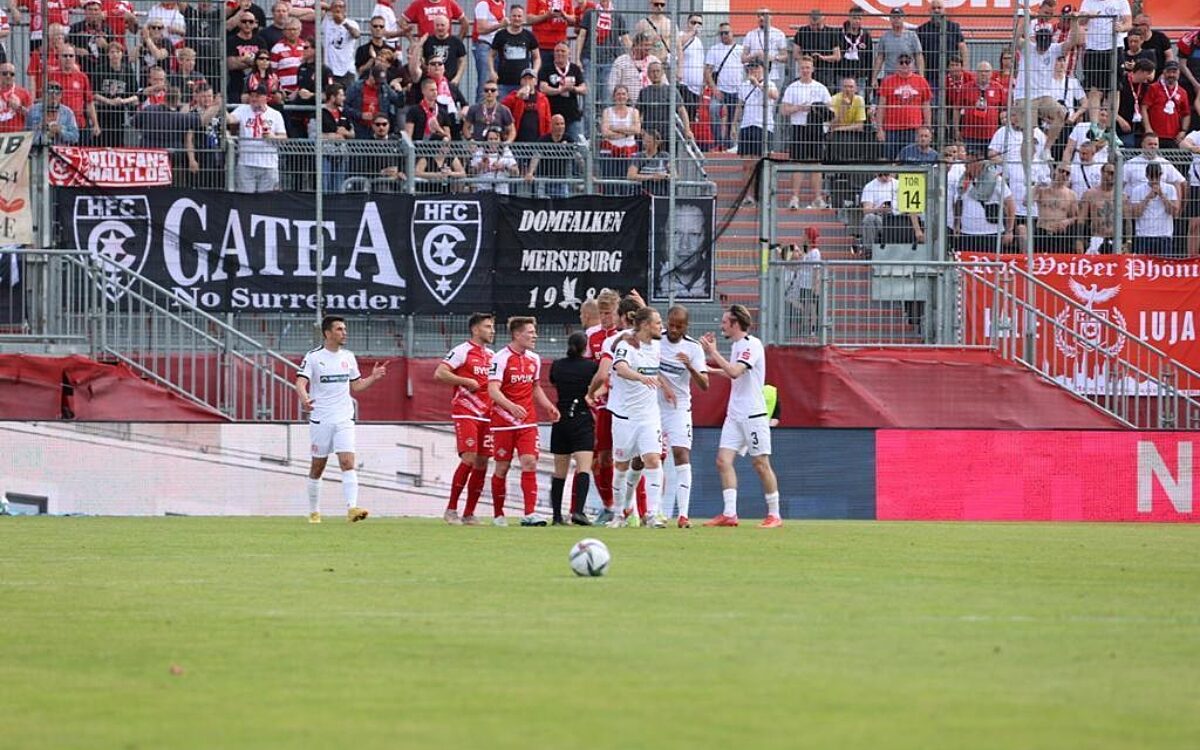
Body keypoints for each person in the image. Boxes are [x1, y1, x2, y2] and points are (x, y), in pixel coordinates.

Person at [295, 316, 388, 524]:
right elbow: (300, 382)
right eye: (339, 329)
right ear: (328, 333)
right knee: (318, 466)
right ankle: (314, 511)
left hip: (344, 418)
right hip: (321, 419)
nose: (344, 333)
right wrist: (305, 399)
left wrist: (373, 377)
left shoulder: (348, 356)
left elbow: (356, 386)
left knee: (347, 462)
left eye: (345, 329)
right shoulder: (313, 357)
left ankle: (352, 508)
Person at [699, 305, 782, 528]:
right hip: (734, 415)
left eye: (725, 322)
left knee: (760, 463)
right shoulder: (737, 347)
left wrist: (713, 353)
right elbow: (733, 373)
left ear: (735, 324)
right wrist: (709, 368)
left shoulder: (751, 345)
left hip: (753, 415)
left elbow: (736, 371)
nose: (721, 326)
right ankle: (729, 514)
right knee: (722, 461)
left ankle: (774, 515)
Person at [488, 316, 560, 526]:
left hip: (527, 421)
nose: (535, 336)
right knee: (502, 467)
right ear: (517, 334)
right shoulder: (500, 358)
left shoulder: (534, 359)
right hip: (503, 421)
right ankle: (498, 515)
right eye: (530, 332)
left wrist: (548, 406)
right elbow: (493, 390)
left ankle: (530, 513)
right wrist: (510, 407)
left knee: (530, 462)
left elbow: (535, 387)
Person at [607, 306, 673, 528]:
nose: (661, 327)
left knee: (653, 459)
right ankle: (618, 514)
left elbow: (655, 370)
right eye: (657, 323)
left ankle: (653, 514)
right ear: (645, 325)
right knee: (621, 466)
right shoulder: (626, 345)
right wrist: (640, 378)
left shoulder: (655, 345)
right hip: (625, 416)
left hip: (649, 416)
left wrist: (665, 386)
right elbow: (621, 368)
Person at [434, 312, 495, 526]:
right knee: (469, 457)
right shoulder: (461, 351)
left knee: (483, 462)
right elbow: (440, 373)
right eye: (488, 326)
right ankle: (451, 510)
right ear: (476, 329)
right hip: (466, 410)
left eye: (492, 326)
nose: (492, 330)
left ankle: (469, 513)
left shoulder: (492, 355)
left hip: (488, 415)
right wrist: (465, 380)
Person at [656, 304, 707, 527]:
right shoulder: (656, 339)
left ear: (687, 326)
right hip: (653, 406)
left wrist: (690, 367)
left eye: (679, 326)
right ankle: (647, 511)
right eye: (671, 324)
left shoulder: (694, 348)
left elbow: (705, 384)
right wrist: (664, 384)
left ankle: (683, 514)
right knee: (648, 457)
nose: (674, 329)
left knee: (681, 453)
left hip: (679, 408)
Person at [549, 331, 597, 525]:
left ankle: (557, 516)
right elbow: (602, 380)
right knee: (583, 467)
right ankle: (578, 511)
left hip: (560, 418)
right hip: (582, 417)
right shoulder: (590, 367)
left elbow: (553, 382)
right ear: (586, 347)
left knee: (559, 470)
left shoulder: (557, 366)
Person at [583, 289, 621, 522]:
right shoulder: (592, 336)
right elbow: (589, 369)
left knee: (631, 457)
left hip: (624, 404)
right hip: (599, 406)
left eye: (610, 313)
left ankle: (636, 508)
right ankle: (608, 506)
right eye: (602, 313)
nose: (606, 317)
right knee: (600, 457)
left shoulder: (625, 336)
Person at [780, 55, 831, 210]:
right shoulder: (792, 87)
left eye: (808, 67)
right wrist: (798, 108)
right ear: (799, 69)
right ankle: (794, 197)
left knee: (816, 163)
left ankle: (817, 198)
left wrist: (817, 109)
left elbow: (830, 109)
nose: (805, 70)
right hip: (799, 126)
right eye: (802, 68)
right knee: (798, 163)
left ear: (813, 69)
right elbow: (783, 110)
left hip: (815, 128)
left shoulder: (820, 87)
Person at [1077, 0, 1132, 122]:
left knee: (1115, 88)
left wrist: (1122, 27)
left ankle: (1111, 127)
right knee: (1094, 89)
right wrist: (1087, 16)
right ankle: (1094, 125)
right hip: (1093, 48)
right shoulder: (1087, 2)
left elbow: (1129, 23)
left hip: (1114, 47)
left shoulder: (1121, 2)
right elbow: (1080, 21)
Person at [227, 83, 288, 192]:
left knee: (266, 203)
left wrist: (272, 137)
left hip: (269, 165)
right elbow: (230, 120)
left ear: (265, 97)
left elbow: (284, 138)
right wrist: (220, 107)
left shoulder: (275, 114)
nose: (254, 99)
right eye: (252, 96)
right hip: (246, 164)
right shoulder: (242, 109)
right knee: (245, 201)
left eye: (257, 96)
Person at [732, 59, 777, 205]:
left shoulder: (769, 83)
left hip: (762, 126)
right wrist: (734, 124)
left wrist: (757, 84)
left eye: (755, 68)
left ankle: (762, 194)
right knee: (747, 164)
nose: (752, 71)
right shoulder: (743, 86)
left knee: (760, 163)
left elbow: (774, 96)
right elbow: (740, 105)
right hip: (747, 125)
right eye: (750, 68)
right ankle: (748, 195)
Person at [874, 52, 931, 163]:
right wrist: (880, 129)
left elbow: (926, 105)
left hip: (914, 129)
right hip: (892, 129)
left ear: (912, 65)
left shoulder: (921, 81)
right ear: (897, 65)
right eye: (901, 62)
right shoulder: (887, 81)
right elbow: (881, 107)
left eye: (907, 62)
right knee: (891, 161)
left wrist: (927, 126)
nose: (904, 65)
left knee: (912, 161)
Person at [655, 201, 709, 299]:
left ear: (704, 238)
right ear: (665, 236)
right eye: (676, 233)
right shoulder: (651, 281)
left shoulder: (710, 284)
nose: (684, 245)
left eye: (694, 234)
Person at [704, 21, 743, 152]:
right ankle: (718, 141)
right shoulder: (714, 49)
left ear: (733, 33)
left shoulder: (740, 50)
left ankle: (730, 143)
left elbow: (749, 69)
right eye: (721, 33)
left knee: (733, 118)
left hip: (737, 90)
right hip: (720, 89)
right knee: (713, 109)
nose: (724, 35)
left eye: (726, 32)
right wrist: (714, 89)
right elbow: (707, 71)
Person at [1127, 162, 1178, 257]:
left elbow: (1174, 212)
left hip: (1164, 235)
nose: (1154, 180)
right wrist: (1148, 198)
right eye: (1151, 177)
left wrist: (1162, 195)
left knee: (1163, 267)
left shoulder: (1170, 189)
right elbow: (1135, 214)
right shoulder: (1137, 190)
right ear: (1146, 176)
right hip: (1143, 235)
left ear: (1161, 175)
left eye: (1157, 176)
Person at [490, 5, 539, 100]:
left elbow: (536, 57)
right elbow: (491, 55)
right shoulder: (500, 35)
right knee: (504, 111)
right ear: (510, 17)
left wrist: (534, 72)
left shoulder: (529, 36)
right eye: (514, 16)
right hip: (503, 83)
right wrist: (492, 71)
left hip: (523, 83)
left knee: (521, 112)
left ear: (523, 18)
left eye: (519, 16)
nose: (517, 18)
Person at [1034, 165, 1079, 252]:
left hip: (1059, 234)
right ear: (1055, 171)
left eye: (1067, 173)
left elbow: (1075, 216)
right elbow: (1026, 202)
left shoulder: (1071, 195)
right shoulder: (1042, 190)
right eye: (1061, 171)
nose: (1064, 174)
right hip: (1042, 231)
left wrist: (1067, 221)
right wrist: (1037, 186)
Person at [1077, 161, 1117, 253]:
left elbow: (1127, 220)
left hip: (1115, 239)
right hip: (1096, 239)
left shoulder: (1121, 196)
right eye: (1110, 173)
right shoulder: (1090, 194)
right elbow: (1081, 219)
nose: (1112, 176)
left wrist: (1128, 241)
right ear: (1102, 173)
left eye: (1115, 173)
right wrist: (1079, 240)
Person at [741, 7, 788, 85]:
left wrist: (772, 57)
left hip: (773, 75)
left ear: (771, 17)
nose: (761, 18)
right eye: (758, 16)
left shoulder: (779, 34)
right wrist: (755, 55)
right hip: (754, 75)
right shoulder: (750, 34)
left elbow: (785, 57)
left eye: (764, 15)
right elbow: (743, 58)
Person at [626, 127, 670, 196]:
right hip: (643, 194)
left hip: (661, 194)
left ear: (657, 143)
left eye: (648, 141)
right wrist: (651, 177)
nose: (645, 144)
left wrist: (664, 176)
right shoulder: (639, 156)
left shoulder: (665, 156)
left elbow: (675, 175)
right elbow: (630, 175)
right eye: (644, 141)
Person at [1181, 127, 1200, 258]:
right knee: (1195, 224)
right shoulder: (1196, 134)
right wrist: (1194, 148)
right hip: (1196, 184)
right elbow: (1183, 143)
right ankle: (1192, 258)